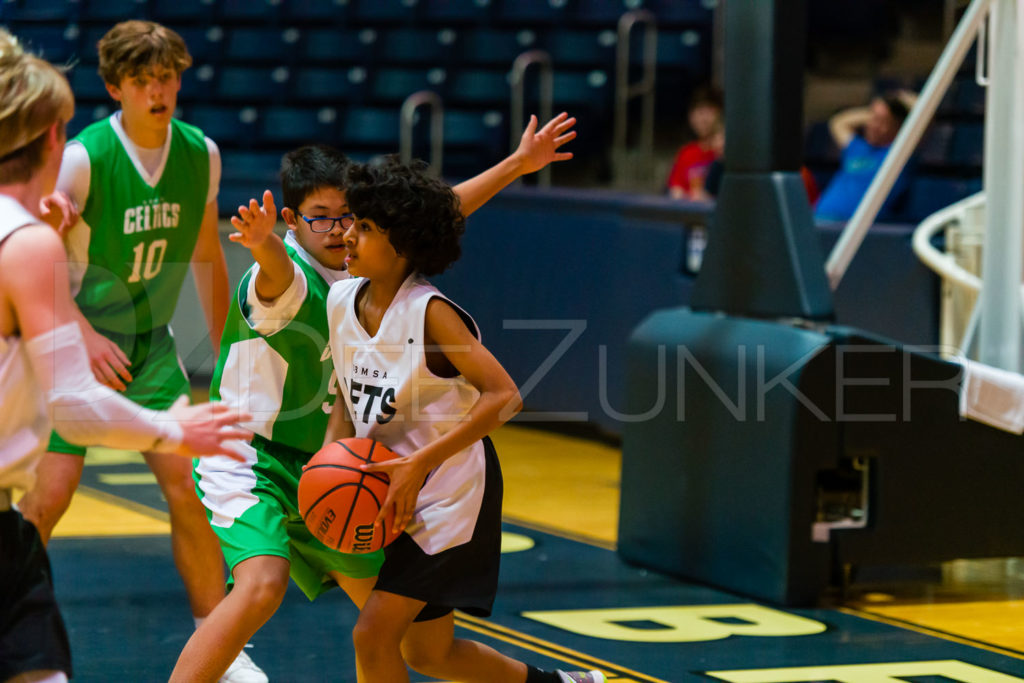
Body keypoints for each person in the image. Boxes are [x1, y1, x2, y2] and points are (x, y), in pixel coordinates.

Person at [172, 113, 579, 682]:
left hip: (398, 477)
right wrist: (262, 247)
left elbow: (430, 219)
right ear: (293, 220)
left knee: (396, 639)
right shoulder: (321, 284)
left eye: (353, 221)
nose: (342, 232)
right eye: (328, 220)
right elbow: (280, 274)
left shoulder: (395, 295)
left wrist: (515, 164)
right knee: (392, 638)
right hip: (305, 465)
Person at [13, 20, 264, 682]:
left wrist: (232, 353)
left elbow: (208, 254)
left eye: (168, 77)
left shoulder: (200, 154)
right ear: (114, 87)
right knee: (51, 495)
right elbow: (35, 260)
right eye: (143, 80)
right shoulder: (83, 157)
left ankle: (220, 641)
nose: (159, 91)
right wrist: (83, 333)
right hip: (71, 336)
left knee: (189, 484)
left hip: (148, 343)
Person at [324, 157, 605, 683]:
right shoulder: (341, 299)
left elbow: (505, 395)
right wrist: (330, 457)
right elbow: (345, 388)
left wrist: (420, 462)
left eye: (364, 227)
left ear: (402, 245)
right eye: (350, 221)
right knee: (429, 654)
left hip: (449, 492)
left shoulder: (431, 313)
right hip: (390, 482)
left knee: (372, 634)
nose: (346, 235)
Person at [813, 90, 917, 221]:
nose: (873, 126)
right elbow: (839, 121)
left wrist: (900, 99)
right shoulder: (856, 147)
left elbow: (924, 114)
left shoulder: (900, 152)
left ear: (898, 126)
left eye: (883, 122)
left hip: (855, 231)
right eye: (872, 119)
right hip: (819, 221)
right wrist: (877, 111)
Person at [665, 85, 724, 201]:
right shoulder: (686, 153)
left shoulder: (724, 153)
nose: (703, 119)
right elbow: (675, 191)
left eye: (709, 111)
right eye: (699, 112)